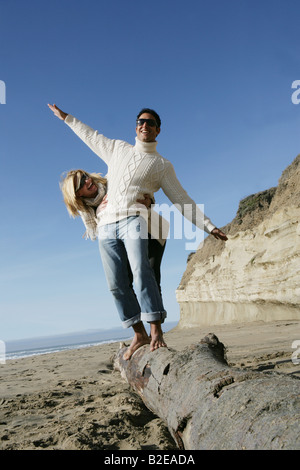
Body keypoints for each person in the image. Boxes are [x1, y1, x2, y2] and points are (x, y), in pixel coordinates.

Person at [48, 103, 227, 359]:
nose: (145, 125)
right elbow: (91, 136)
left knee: (141, 270)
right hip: (106, 225)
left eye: (150, 123)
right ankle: (138, 334)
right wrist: (67, 118)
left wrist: (208, 225)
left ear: (158, 130)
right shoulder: (118, 149)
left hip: (134, 219)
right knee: (116, 284)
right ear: (136, 127)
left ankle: (156, 331)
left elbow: (182, 199)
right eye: (141, 121)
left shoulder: (162, 166)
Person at [60, 169, 167, 296]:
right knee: (123, 280)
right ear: (77, 194)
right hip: (121, 240)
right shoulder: (87, 210)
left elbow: (142, 189)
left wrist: (148, 201)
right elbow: (100, 230)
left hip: (151, 231)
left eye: (85, 176)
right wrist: (99, 213)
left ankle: (155, 315)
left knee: (149, 275)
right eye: (81, 183)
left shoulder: (112, 182)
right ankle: (137, 315)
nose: (87, 181)